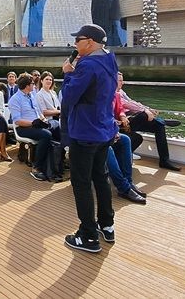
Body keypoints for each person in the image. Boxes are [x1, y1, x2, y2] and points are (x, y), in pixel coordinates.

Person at [60, 24, 118, 253]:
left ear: (90, 42)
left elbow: (69, 97)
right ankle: (107, 225)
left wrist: (67, 74)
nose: (75, 44)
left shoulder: (87, 65)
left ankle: (88, 236)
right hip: (104, 130)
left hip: (85, 132)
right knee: (101, 178)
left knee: (81, 184)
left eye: (78, 40)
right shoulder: (109, 61)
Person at [116, 72, 181, 171]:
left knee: (158, 126)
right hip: (120, 124)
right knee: (143, 115)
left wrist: (148, 109)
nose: (123, 82)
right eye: (120, 80)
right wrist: (146, 110)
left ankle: (164, 160)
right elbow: (127, 105)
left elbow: (132, 102)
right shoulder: (111, 93)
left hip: (131, 120)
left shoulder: (121, 92)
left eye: (122, 80)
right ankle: (162, 121)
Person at [8, 73, 55, 181]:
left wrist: (43, 120)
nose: (34, 85)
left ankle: (54, 165)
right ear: (27, 85)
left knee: (56, 129)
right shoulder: (15, 99)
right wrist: (33, 123)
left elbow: (39, 112)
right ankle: (36, 167)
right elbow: (18, 121)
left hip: (36, 124)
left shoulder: (32, 96)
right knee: (46, 135)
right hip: (23, 128)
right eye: (33, 83)